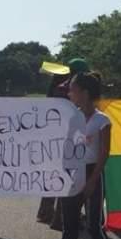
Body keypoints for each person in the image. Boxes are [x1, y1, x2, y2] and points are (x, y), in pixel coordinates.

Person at [61, 73, 114, 239]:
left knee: (93, 225)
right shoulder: (71, 117)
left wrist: (93, 180)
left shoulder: (102, 121)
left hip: (92, 171)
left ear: (85, 93)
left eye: (72, 89)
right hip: (73, 172)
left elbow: (104, 152)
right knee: (69, 226)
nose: (69, 93)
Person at [38, 59, 86, 227]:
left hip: (53, 137)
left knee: (54, 175)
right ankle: (60, 218)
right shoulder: (73, 90)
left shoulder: (58, 87)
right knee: (66, 177)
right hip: (68, 138)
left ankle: (45, 212)